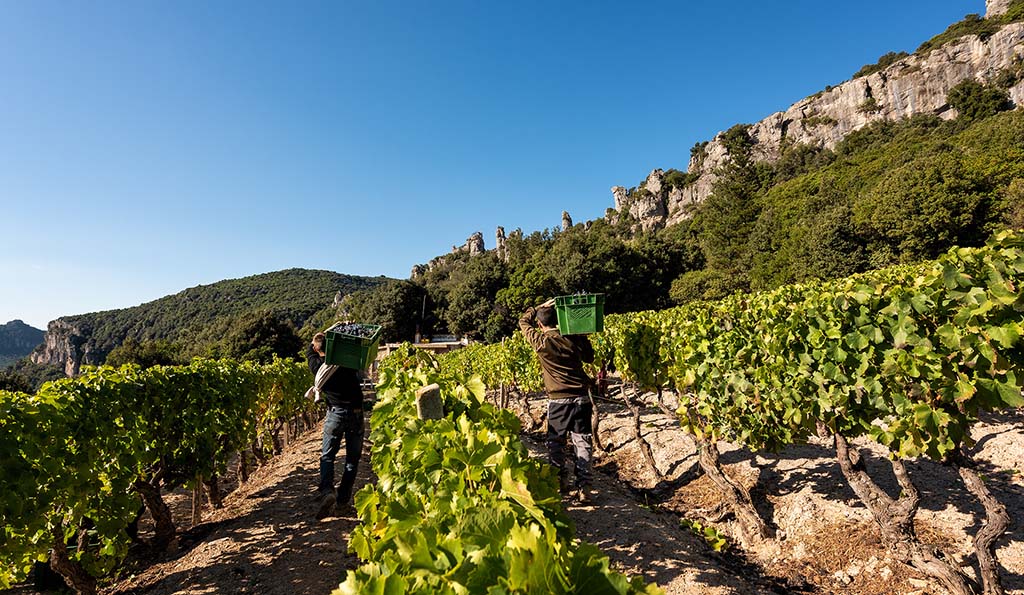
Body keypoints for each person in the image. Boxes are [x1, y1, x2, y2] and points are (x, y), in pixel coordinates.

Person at [519, 299, 597, 503]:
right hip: (581, 398)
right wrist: (581, 335)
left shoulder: (541, 342)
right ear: (559, 320)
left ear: (540, 325)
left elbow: (522, 323)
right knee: (582, 441)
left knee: (556, 442)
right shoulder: (573, 337)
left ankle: (559, 483)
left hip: (558, 401)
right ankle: (585, 488)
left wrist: (535, 309)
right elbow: (590, 357)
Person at [306, 331, 365, 519]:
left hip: (335, 414)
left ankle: (327, 491)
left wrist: (317, 343)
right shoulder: (347, 361)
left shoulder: (317, 367)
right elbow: (356, 346)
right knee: (352, 460)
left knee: (327, 456)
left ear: (317, 349)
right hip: (355, 413)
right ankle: (342, 503)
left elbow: (310, 351)